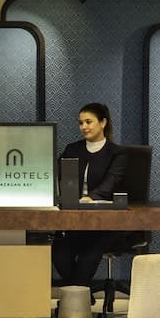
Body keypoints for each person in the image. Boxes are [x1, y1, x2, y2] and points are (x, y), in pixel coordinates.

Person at [51, 102, 128, 288]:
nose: (83, 127)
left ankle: (77, 297)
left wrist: (90, 198)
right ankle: (82, 296)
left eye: (88, 122)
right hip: (75, 221)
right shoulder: (72, 149)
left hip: (105, 223)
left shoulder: (117, 153)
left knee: (89, 254)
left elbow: (111, 182)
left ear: (103, 123)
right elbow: (56, 176)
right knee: (59, 252)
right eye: (80, 123)